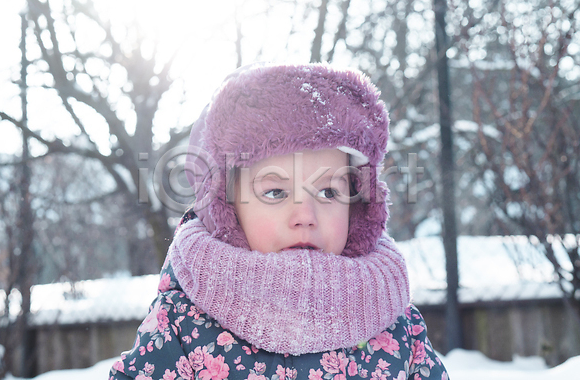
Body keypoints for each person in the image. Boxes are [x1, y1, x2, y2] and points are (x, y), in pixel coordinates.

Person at [109, 63, 449, 380]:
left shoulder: (394, 323)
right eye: (275, 193)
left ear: (359, 206)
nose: (305, 216)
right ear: (227, 206)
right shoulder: (183, 323)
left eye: (329, 192)